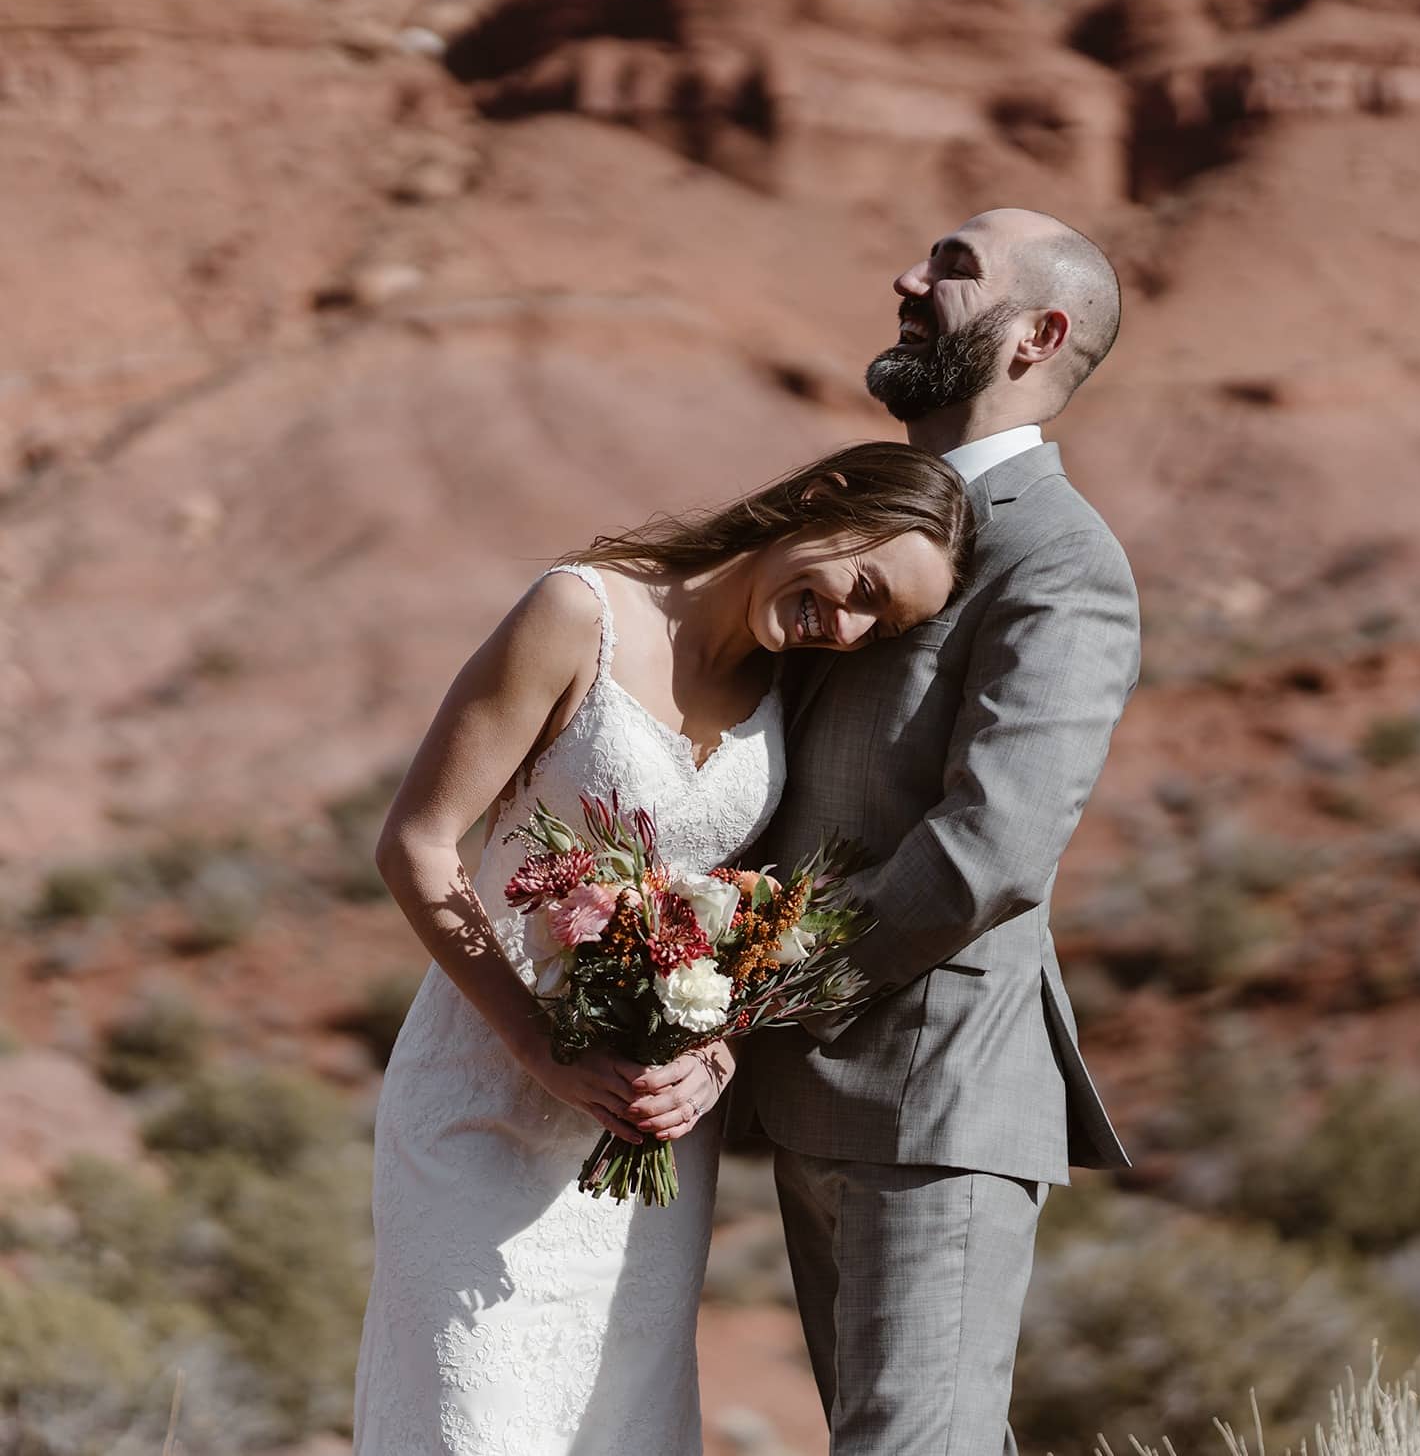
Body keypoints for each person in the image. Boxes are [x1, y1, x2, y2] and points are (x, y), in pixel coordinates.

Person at [351, 441, 974, 1455]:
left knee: (616, 1425)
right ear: (822, 501)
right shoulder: (578, 613)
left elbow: (756, 910)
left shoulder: (789, 686)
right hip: (482, 1102)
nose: (848, 626)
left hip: (649, 1134)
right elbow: (416, 843)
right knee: (468, 1415)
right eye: (859, 585)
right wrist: (534, 1042)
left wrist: (713, 1051)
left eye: (879, 624)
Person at [733, 208, 1140, 1454]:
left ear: (1039, 335)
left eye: (952, 270)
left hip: (933, 1091)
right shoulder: (869, 506)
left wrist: (756, 989)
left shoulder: (1061, 560)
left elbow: (993, 847)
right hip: (816, 1085)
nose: (904, 278)